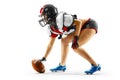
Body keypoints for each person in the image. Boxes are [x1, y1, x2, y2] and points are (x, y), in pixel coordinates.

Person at [38, 4, 101, 74]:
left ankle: (95, 65)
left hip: (89, 25)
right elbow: (50, 44)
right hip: (79, 29)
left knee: (75, 46)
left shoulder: (62, 19)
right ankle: (62, 65)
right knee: (64, 41)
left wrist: (76, 38)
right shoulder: (52, 27)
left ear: (50, 14)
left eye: (44, 15)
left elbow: (79, 23)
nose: (43, 17)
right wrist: (44, 57)